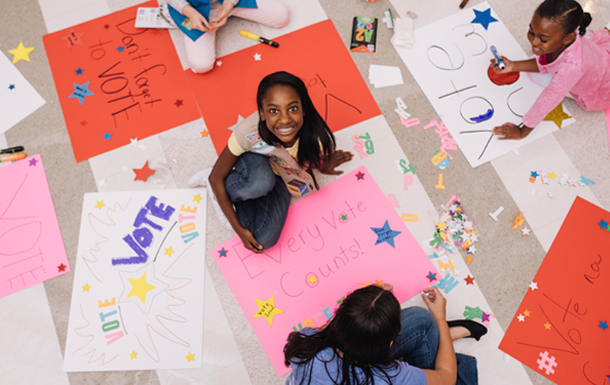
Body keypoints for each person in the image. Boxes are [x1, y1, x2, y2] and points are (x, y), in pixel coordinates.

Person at [188, 71, 353, 253]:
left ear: (303, 109)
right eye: (274, 111)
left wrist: (324, 163)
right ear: (262, 113)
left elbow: (310, 157)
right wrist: (238, 229)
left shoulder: (315, 134)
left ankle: (244, 192)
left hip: (282, 176)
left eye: (293, 108)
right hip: (256, 164)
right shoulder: (246, 133)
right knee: (260, 182)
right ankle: (229, 189)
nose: (284, 119)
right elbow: (216, 177)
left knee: (262, 240)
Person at [284, 284, 486, 385]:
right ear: (390, 343)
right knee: (430, 325)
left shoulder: (305, 343)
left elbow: (332, 328)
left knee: (421, 319)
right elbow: (447, 378)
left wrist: (368, 305)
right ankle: (443, 337)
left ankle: (441, 338)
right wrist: (440, 317)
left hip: (351, 360)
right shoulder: (391, 377)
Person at [490, 0, 610, 140]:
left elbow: (548, 100)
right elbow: (549, 61)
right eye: (531, 32)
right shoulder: (567, 36)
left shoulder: (571, 68)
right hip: (598, 58)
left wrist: (523, 131)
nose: (533, 42)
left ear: (568, 38)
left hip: (600, 86)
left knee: (537, 77)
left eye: (543, 39)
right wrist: (512, 66)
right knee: (540, 59)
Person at [167, 0, 290, 73]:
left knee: (281, 17)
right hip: (194, 8)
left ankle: (232, 9)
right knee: (201, 65)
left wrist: (229, 5)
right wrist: (189, 12)